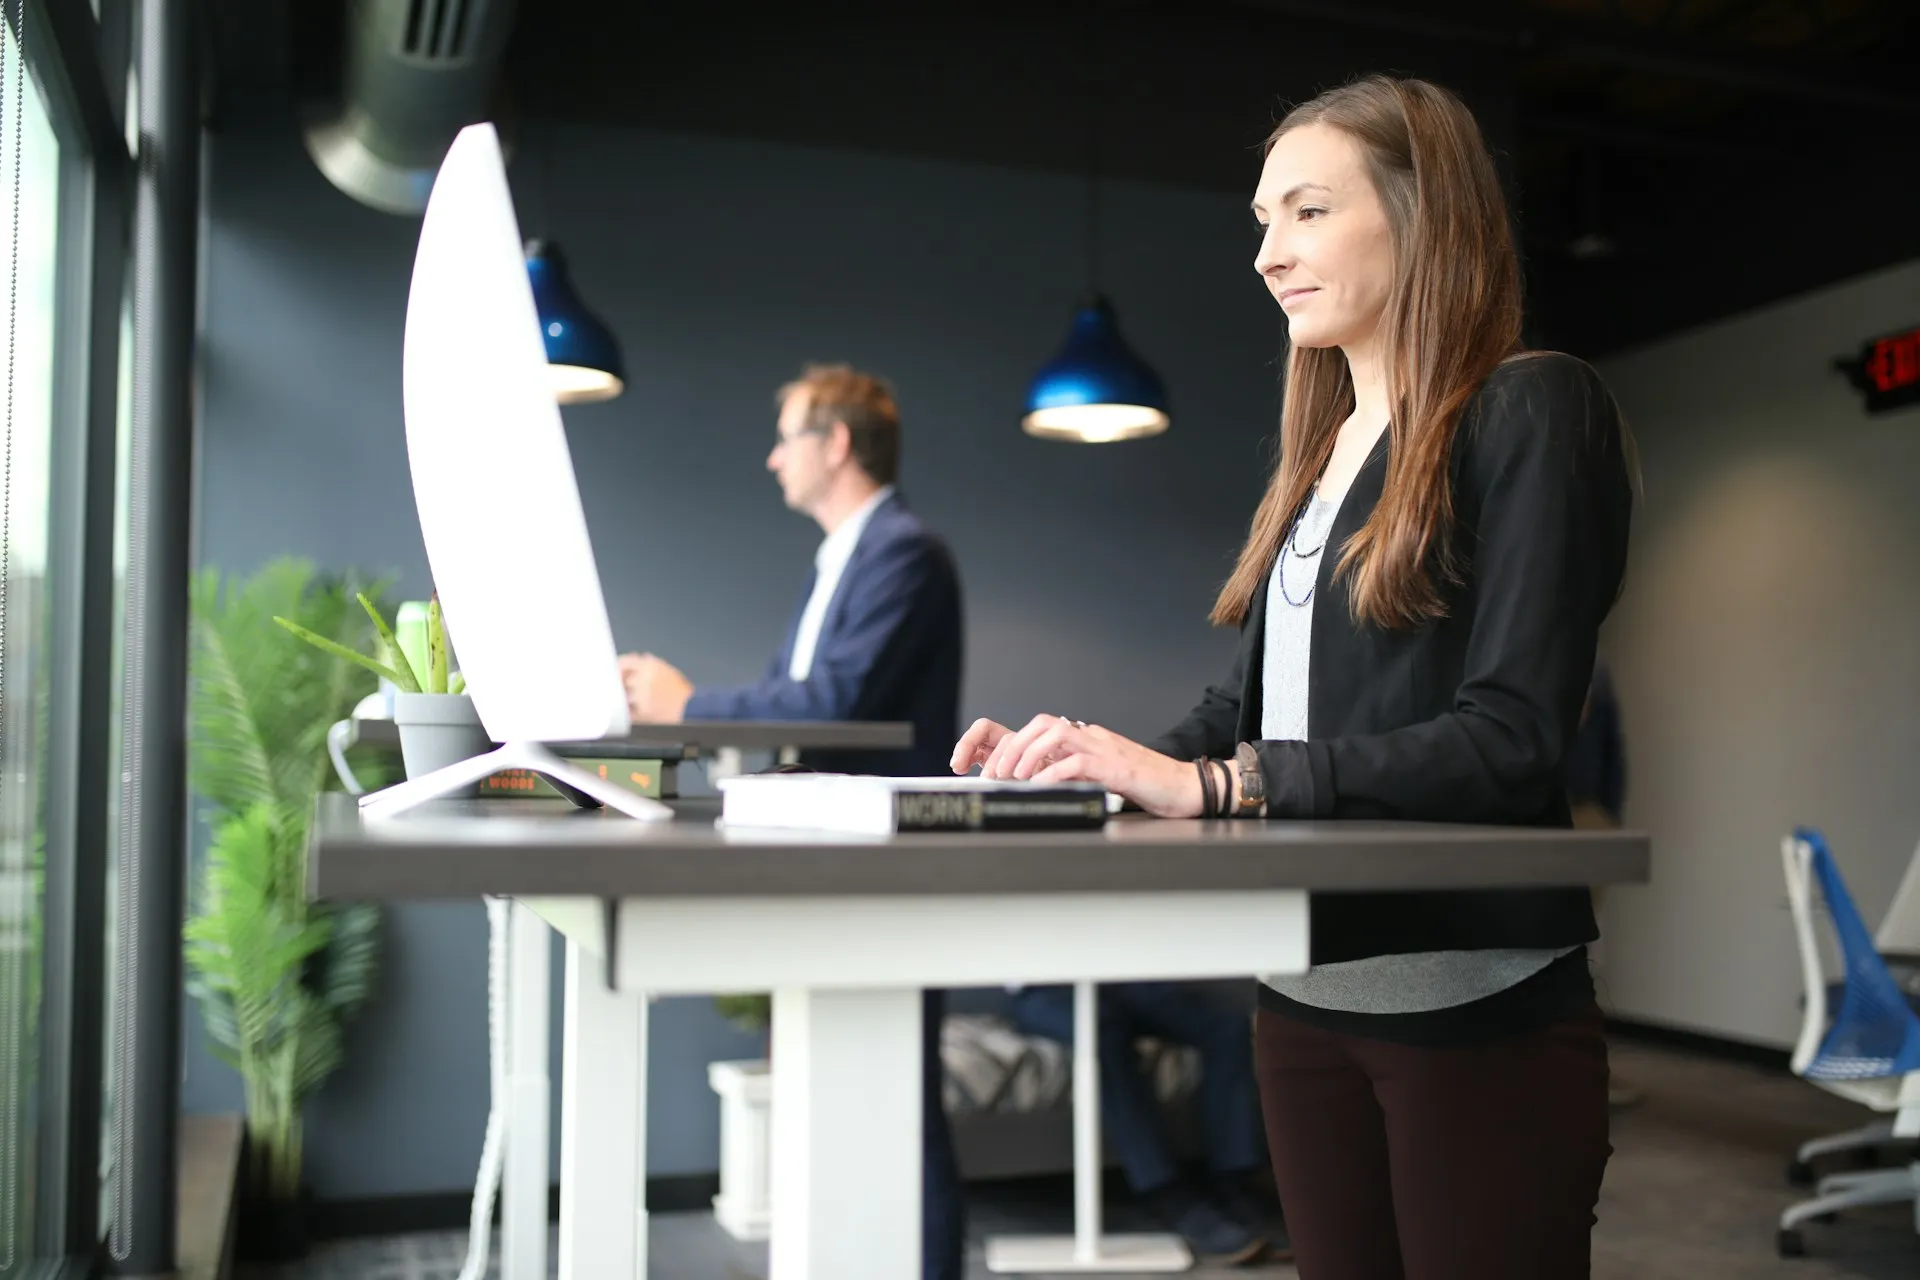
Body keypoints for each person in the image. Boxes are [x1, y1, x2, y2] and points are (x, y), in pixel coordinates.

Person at [951, 74, 1633, 1280]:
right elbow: (1246, 713)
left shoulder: (1532, 407)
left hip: (1468, 997)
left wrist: (1219, 788)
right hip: (1304, 991)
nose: (1270, 254)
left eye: (1308, 212)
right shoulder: (1324, 457)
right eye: (1264, 221)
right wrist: (1090, 765)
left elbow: (1512, 732)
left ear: (1424, 217)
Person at [621, 363, 968, 1280]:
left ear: (837, 442)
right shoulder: (841, 559)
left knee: (901, 1102)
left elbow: (835, 701)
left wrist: (688, 704)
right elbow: (800, 701)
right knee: (849, 1094)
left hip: (885, 862)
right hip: (832, 856)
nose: (773, 458)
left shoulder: (903, 551)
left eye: (787, 437)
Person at [1007, 980, 1286, 1264]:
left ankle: (1236, 1180)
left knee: (1226, 1026)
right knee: (1101, 1033)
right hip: (1045, 989)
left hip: (1127, 976)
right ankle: (1166, 1191)